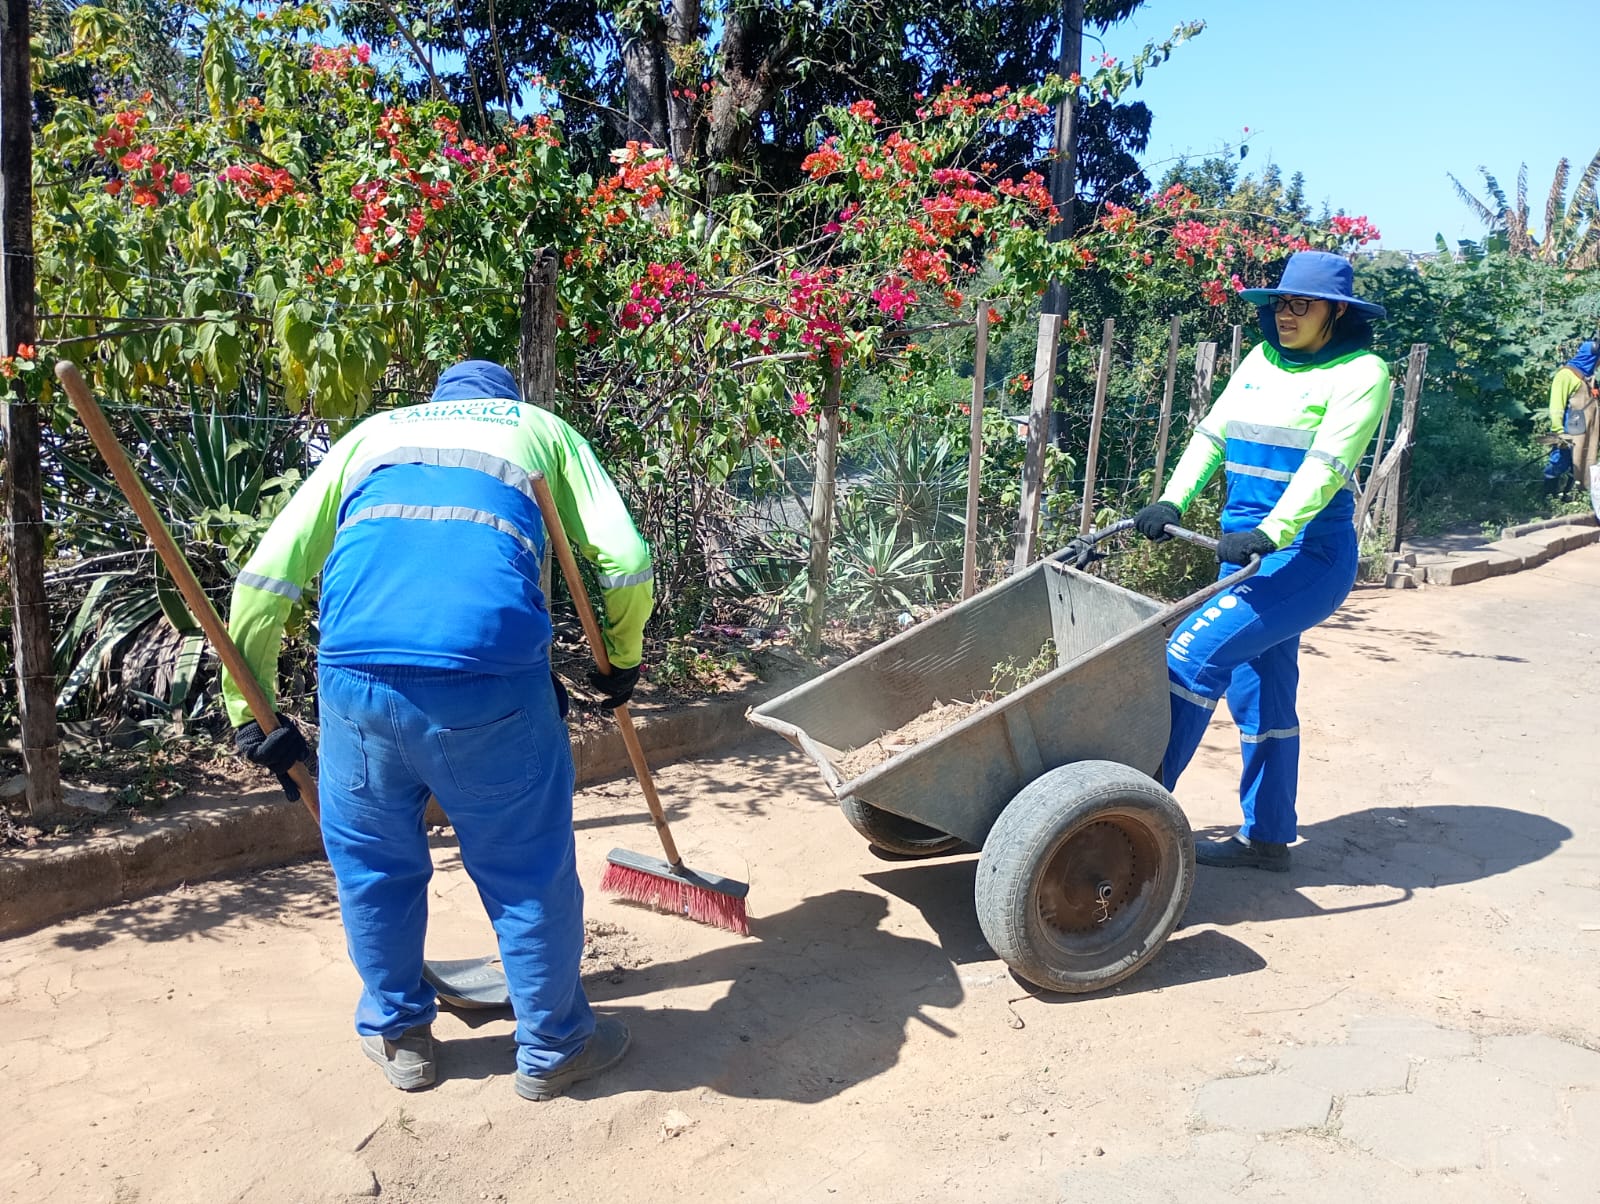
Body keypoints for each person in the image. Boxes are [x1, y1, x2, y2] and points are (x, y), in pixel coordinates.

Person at [221, 359, 653, 1098]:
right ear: (506, 399)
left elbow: (265, 578)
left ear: (436, 402)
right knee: (525, 869)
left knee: (375, 867)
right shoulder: (538, 430)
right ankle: (552, 1048)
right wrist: (621, 658)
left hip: (356, 683)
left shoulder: (371, 436)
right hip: (490, 680)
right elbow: (626, 560)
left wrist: (249, 712)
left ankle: (401, 1038)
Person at [1131, 251, 1390, 871]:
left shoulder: (1362, 371)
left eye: (1302, 304)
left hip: (1305, 554)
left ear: (1337, 312)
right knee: (1261, 689)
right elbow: (1212, 437)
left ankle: (1124, 819)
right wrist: (1172, 499)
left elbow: (1327, 465)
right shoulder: (1261, 359)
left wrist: (1272, 531)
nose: (1286, 314)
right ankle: (1268, 837)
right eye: (1280, 303)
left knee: (1188, 655)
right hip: (1244, 553)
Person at [1543, 341, 1598, 499]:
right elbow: (1556, 405)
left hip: (1586, 431)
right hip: (1569, 429)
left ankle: (1569, 498)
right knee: (1560, 461)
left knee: (1581, 464)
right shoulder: (1565, 375)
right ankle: (1548, 498)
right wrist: (1559, 431)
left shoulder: (1589, 378)